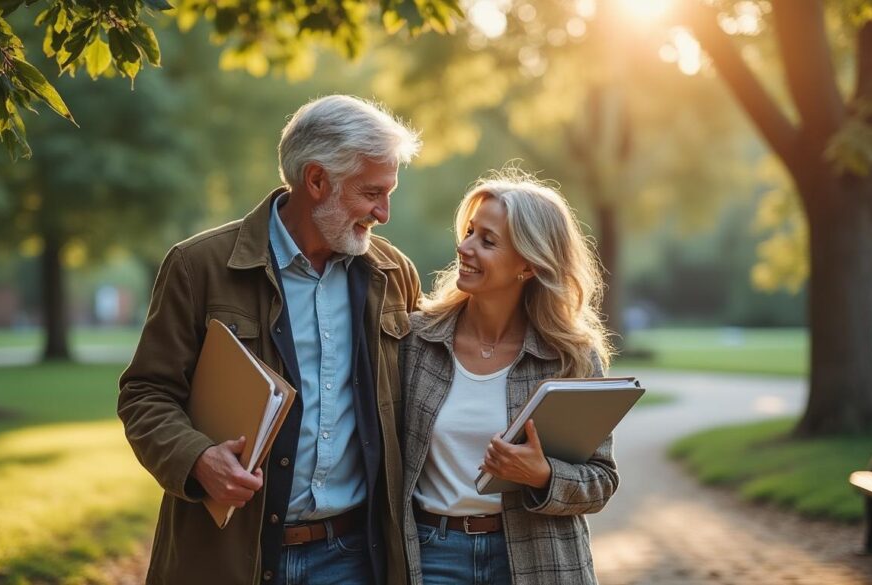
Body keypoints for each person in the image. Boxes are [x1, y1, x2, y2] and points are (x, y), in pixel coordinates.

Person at [118, 95, 422, 585]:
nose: (383, 213)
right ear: (316, 180)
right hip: (229, 556)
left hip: (354, 560)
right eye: (371, 193)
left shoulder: (394, 274)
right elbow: (145, 394)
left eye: (388, 193)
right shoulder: (198, 267)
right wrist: (197, 458)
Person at [399, 171, 617, 585]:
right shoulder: (415, 340)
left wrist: (543, 475)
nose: (464, 247)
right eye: (469, 232)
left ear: (529, 265)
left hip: (538, 557)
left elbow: (601, 481)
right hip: (433, 556)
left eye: (488, 241)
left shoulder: (569, 357)